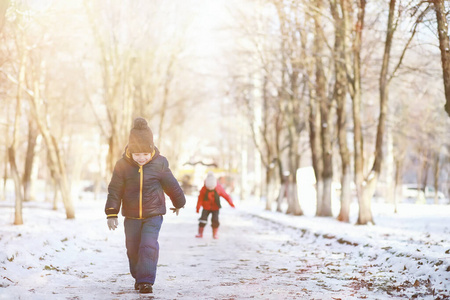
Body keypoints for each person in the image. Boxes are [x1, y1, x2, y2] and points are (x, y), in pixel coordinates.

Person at [105, 117, 186, 294]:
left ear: (151, 150)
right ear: (130, 152)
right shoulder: (122, 166)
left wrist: (179, 202)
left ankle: (146, 281)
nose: (141, 158)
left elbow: (171, 184)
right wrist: (111, 213)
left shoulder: (160, 163)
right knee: (133, 248)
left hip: (153, 214)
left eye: (145, 154)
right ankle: (139, 276)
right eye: (137, 154)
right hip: (131, 216)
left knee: (148, 245)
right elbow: (115, 190)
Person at [195, 172, 235, 239]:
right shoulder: (203, 189)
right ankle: (200, 233)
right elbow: (200, 199)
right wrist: (198, 208)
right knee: (203, 220)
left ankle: (215, 234)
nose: (210, 189)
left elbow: (226, 196)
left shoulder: (218, 188)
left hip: (215, 207)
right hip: (206, 207)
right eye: (209, 188)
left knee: (215, 220)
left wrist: (231, 203)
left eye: (212, 188)